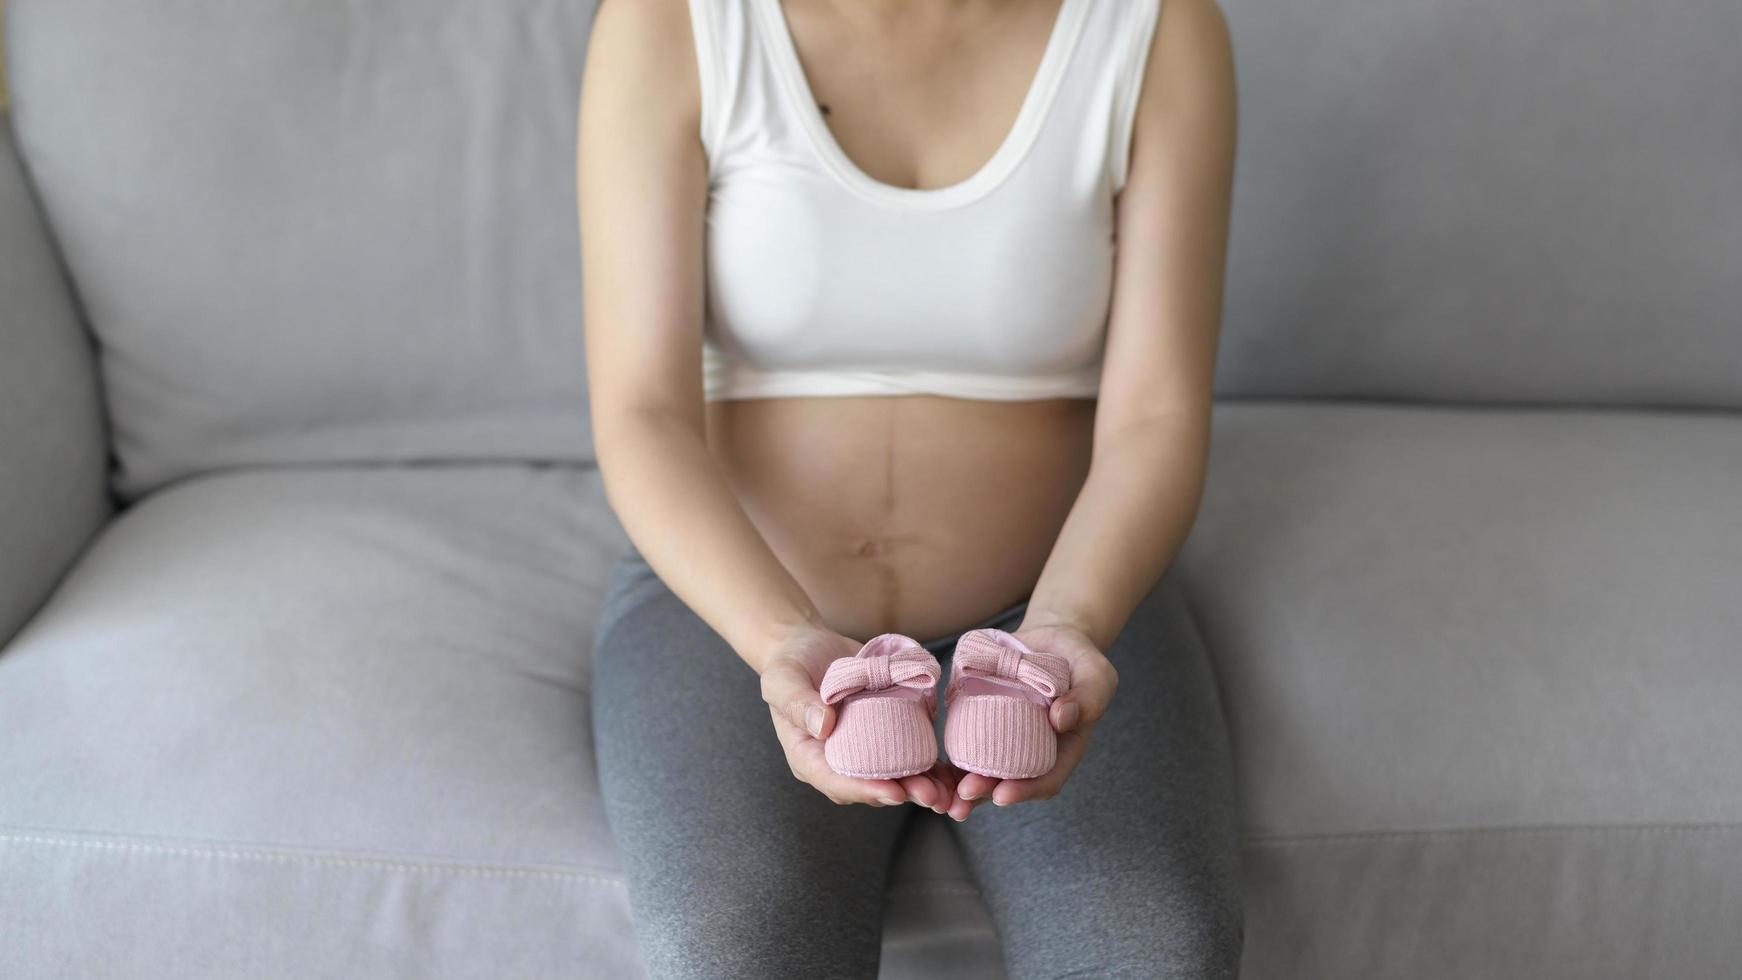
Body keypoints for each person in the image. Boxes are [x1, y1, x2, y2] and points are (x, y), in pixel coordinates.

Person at [576, 0, 1241, 975]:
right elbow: (642, 411)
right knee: (733, 948)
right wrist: (779, 640)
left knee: (1151, 948)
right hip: (730, 609)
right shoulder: (669, 20)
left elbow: (1156, 416)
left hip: (1054, 609)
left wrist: (1067, 626)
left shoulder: (1157, 25)